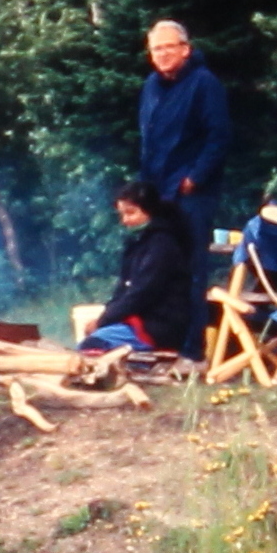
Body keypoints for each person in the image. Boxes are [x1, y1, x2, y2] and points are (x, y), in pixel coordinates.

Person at [137, 19, 229, 363]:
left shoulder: (204, 84)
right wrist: (144, 193)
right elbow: (147, 143)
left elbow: (218, 137)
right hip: (158, 193)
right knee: (160, 267)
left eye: (167, 47)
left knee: (192, 269)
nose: (161, 55)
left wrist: (195, 178)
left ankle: (193, 351)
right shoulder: (151, 87)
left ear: (185, 49)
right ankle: (163, 342)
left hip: (192, 194)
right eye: (155, 49)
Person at [77, 181, 193, 354]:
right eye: (122, 215)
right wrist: (105, 317)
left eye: (131, 213)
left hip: (158, 324)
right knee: (92, 341)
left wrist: (103, 321)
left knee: (91, 346)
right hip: (140, 318)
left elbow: (143, 292)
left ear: (149, 210)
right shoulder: (139, 242)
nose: (125, 221)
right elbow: (123, 290)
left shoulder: (162, 245)